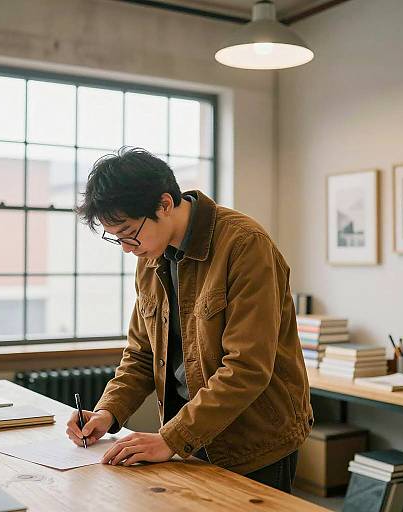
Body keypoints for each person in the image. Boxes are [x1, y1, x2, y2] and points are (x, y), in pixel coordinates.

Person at [66, 147, 313, 493]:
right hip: (188, 438)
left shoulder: (244, 245)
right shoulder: (149, 257)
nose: (126, 248)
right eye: (116, 238)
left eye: (128, 233)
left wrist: (171, 438)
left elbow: (247, 367)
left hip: (253, 444)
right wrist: (107, 413)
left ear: (164, 204)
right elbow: (141, 354)